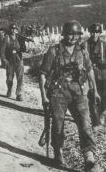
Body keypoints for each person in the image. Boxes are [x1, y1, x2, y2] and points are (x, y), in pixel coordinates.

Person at [39, 20, 99, 170]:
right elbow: (42, 74)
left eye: (77, 34)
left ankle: (89, 156)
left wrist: (95, 90)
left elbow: (90, 69)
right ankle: (58, 152)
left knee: (85, 124)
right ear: (64, 34)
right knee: (58, 125)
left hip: (78, 91)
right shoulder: (54, 51)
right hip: (58, 93)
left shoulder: (82, 51)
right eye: (70, 34)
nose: (73, 37)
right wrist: (44, 97)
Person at [84, 23, 106, 127]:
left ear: (99, 33)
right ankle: (95, 120)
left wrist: (100, 63)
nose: (94, 34)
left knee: (104, 97)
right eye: (92, 32)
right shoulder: (84, 45)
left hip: (103, 75)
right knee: (92, 97)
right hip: (89, 76)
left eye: (96, 32)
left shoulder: (103, 45)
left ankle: (101, 113)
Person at [0, 23, 27, 101]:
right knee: (9, 78)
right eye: (12, 29)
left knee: (20, 78)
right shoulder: (6, 38)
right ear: (10, 29)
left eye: (15, 29)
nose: (13, 30)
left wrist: (23, 42)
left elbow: (23, 50)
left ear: (16, 30)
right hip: (10, 61)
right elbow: (2, 51)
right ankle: (9, 89)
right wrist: (4, 60)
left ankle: (19, 94)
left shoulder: (19, 38)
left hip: (19, 60)